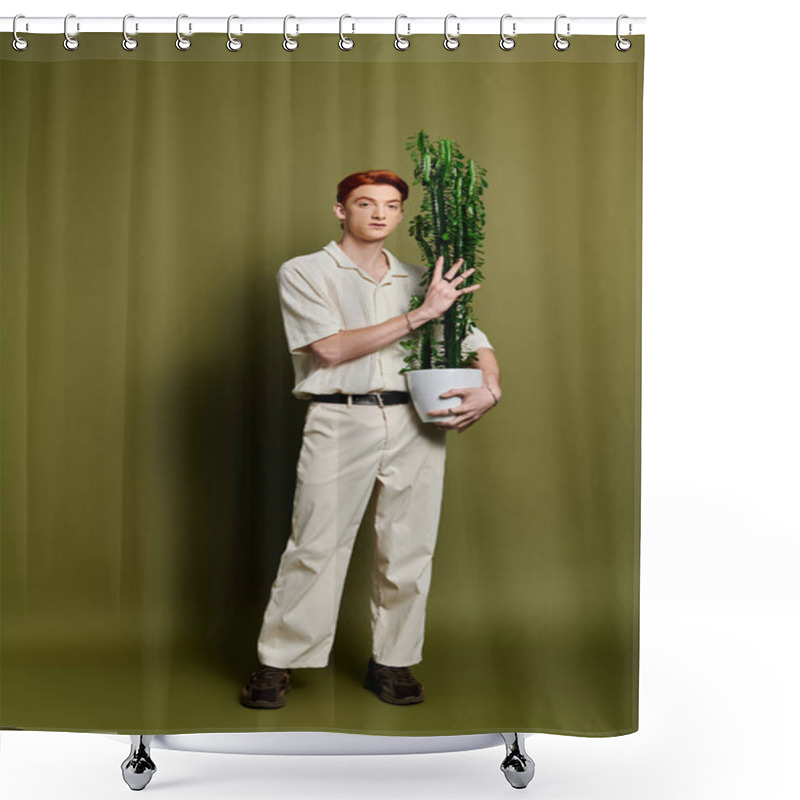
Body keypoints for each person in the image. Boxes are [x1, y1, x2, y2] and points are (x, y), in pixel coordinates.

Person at [240, 169, 502, 710]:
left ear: (402, 214)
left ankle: (392, 661)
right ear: (341, 210)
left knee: (409, 546)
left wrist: (491, 387)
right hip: (341, 418)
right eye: (365, 203)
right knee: (316, 545)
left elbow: (474, 338)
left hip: (416, 422)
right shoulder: (306, 272)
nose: (379, 213)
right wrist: (422, 314)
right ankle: (278, 662)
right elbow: (330, 350)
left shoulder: (419, 275)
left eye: (390, 205)